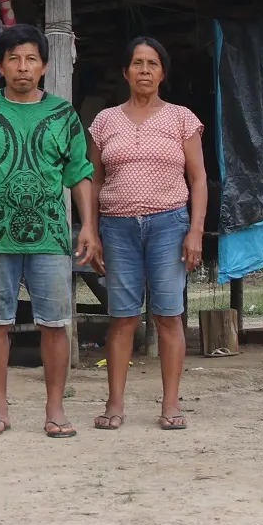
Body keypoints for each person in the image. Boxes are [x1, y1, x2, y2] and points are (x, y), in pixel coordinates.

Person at [0, 23, 101, 438]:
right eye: (14, 59)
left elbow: (79, 173)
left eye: (31, 59)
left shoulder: (62, 114)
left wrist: (87, 225)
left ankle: (55, 411)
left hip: (52, 237)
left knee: (55, 323)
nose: (22, 67)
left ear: (44, 67)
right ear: (0, 66)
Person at [86, 36, 208, 431]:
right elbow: (92, 180)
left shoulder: (181, 118)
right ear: (125, 72)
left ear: (162, 73)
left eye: (152, 64)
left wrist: (196, 231)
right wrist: (92, 230)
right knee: (122, 318)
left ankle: (170, 405)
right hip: (117, 227)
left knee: (168, 316)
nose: (144, 70)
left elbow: (198, 178)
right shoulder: (105, 121)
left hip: (169, 225)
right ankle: (115, 404)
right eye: (137, 63)